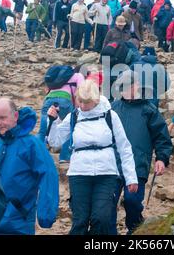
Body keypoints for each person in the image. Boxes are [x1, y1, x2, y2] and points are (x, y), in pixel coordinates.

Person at [47, 80, 138, 235]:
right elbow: (55, 141)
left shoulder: (110, 115)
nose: (82, 106)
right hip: (79, 174)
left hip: (106, 174)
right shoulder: (74, 116)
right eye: (79, 101)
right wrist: (53, 121)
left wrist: (131, 178)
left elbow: (124, 147)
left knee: (101, 218)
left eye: (86, 102)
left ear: (96, 100)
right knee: (80, 220)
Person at [110, 71, 172, 234]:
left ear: (136, 85)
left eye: (128, 86)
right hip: (113, 165)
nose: (124, 90)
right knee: (108, 203)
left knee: (132, 202)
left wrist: (161, 158)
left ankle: (135, 230)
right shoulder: (114, 107)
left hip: (138, 165)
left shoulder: (149, 110)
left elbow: (161, 137)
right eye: (121, 87)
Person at [0, 98, 59, 235]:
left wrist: (46, 214)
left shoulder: (32, 145)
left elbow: (48, 175)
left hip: (17, 224)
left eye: (2, 118)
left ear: (15, 116)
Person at [39, 65, 85, 162]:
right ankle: (64, 156)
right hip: (65, 100)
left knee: (44, 129)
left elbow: (47, 89)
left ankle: (38, 155)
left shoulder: (57, 77)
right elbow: (81, 92)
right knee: (71, 128)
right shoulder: (78, 75)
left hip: (48, 100)